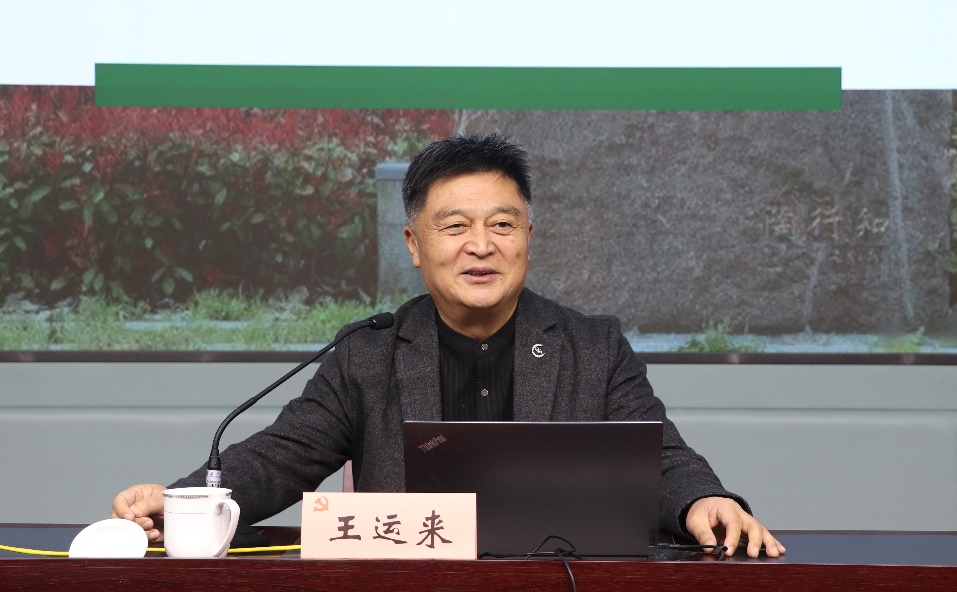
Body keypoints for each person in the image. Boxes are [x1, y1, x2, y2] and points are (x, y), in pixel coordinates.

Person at [113, 134, 785, 558]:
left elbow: (660, 458)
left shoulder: (592, 345)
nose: (481, 246)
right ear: (414, 244)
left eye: (502, 225)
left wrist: (704, 501)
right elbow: (279, 458)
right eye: (455, 226)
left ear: (528, 237)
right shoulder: (369, 353)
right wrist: (179, 502)